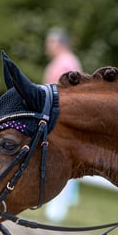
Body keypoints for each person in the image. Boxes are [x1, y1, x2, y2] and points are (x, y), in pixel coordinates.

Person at [43, 27, 82, 222]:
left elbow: (64, 94)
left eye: (50, 42)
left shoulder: (66, 63)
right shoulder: (64, 62)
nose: (47, 46)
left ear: (58, 43)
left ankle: (57, 210)